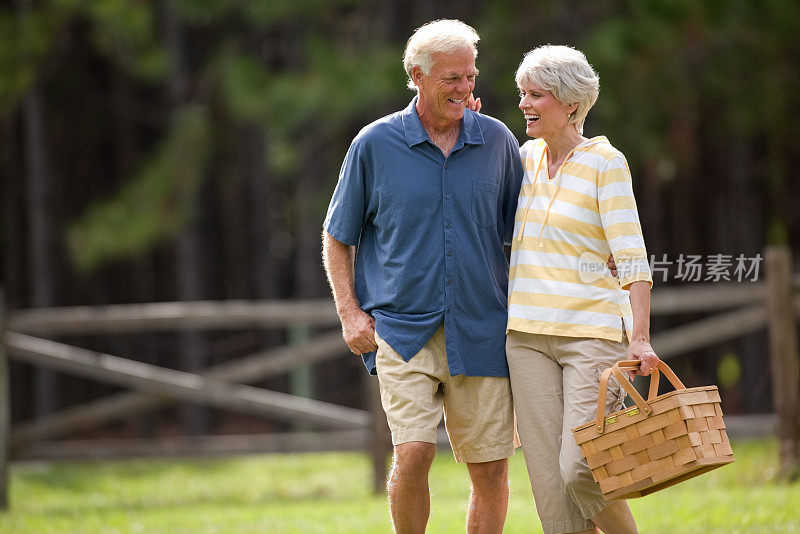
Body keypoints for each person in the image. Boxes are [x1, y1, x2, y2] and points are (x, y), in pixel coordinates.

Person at [321, 19, 523, 534]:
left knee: (491, 468)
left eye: (470, 77)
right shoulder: (374, 144)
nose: (465, 87)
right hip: (402, 329)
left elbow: (528, 230)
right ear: (417, 74)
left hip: (482, 327)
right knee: (411, 455)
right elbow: (337, 236)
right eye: (451, 78)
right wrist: (349, 313)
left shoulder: (497, 140)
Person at [506, 45, 660, 534]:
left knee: (580, 467)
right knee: (550, 489)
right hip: (526, 336)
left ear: (571, 103)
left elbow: (632, 256)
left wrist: (639, 337)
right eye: (522, 94)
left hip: (591, 335)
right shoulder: (523, 159)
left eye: (537, 95)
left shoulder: (605, 162)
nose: (525, 104)